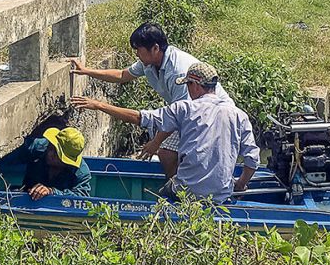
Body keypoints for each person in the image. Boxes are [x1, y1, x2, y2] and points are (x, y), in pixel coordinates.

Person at [73, 62, 259, 204]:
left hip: (186, 192)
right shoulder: (239, 115)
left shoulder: (185, 109)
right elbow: (252, 160)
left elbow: (140, 118)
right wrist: (240, 184)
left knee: (160, 199)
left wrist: (99, 105)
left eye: (187, 85)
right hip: (221, 196)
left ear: (195, 85)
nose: (187, 90)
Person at [70, 23, 232, 178]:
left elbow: (176, 118)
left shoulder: (178, 72)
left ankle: (177, 189)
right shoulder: (148, 63)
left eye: (138, 50)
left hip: (210, 114)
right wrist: (86, 71)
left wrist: (156, 143)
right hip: (189, 112)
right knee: (164, 142)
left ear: (155, 48)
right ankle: (179, 181)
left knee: (166, 152)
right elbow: (122, 75)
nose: (136, 55)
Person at [18, 127, 92, 200]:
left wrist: (52, 192)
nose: (50, 154)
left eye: (56, 153)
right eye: (51, 147)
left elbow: (82, 198)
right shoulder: (38, 146)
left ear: (67, 161)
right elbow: (12, 154)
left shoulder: (81, 173)